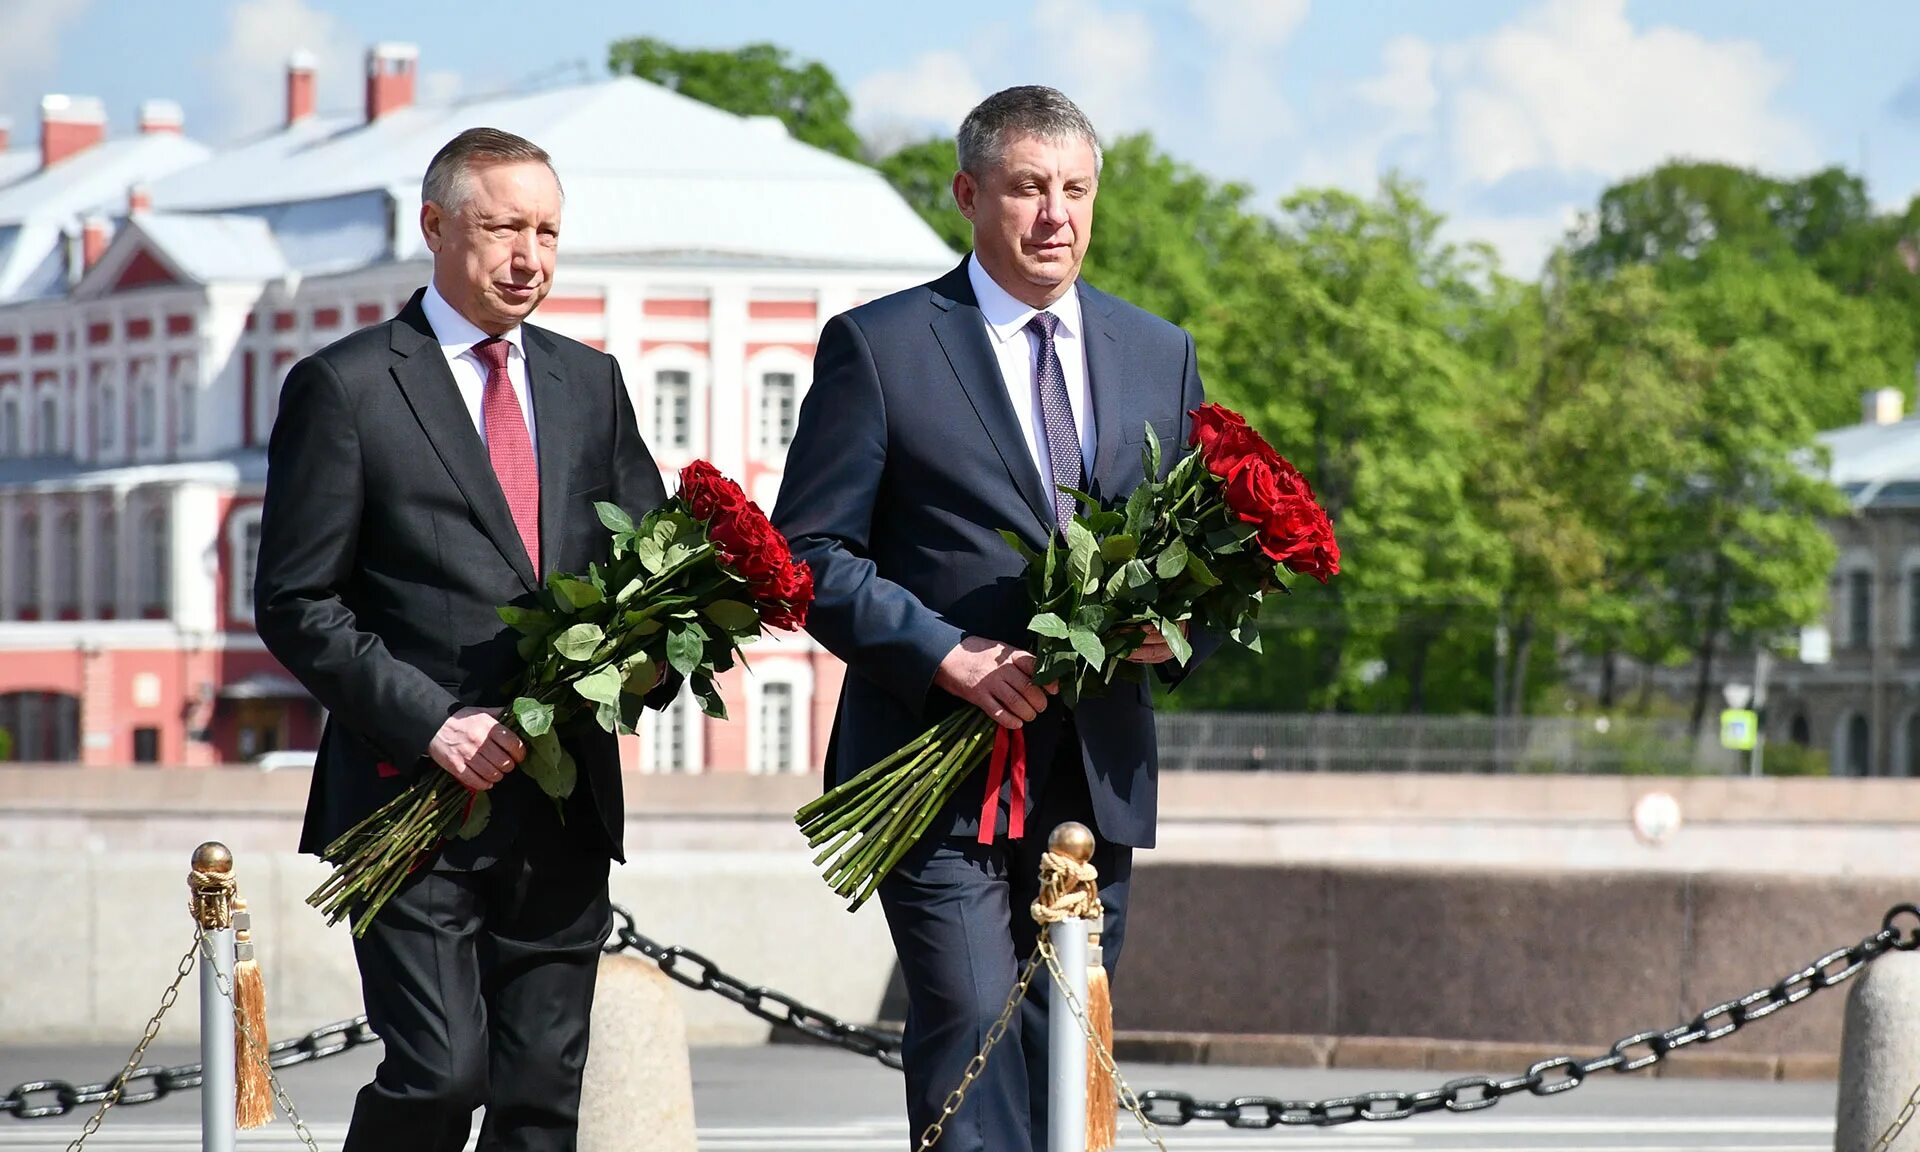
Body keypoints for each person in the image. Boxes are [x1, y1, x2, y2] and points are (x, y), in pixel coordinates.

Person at [773, 86, 1212, 1151]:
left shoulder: (1160, 352)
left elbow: (1189, 547)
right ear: (970, 195)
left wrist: (1174, 625)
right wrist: (946, 654)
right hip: (934, 771)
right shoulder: (882, 347)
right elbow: (807, 552)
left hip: (1093, 773)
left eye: (1075, 190)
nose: (1055, 214)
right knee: (972, 1030)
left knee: (1067, 1056)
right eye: (1027, 188)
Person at [254, 127, 666, 1152]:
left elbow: (654, 574)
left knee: (538, 1099)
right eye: (503, 229)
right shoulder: (345, 385)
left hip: (564, 805)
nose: (530, 256)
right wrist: (435, 724)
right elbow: (297, 602)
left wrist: (651, 663)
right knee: (442, 1074)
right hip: (410, 797)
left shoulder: (591, 383)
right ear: (436, 227)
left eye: (548, 232)